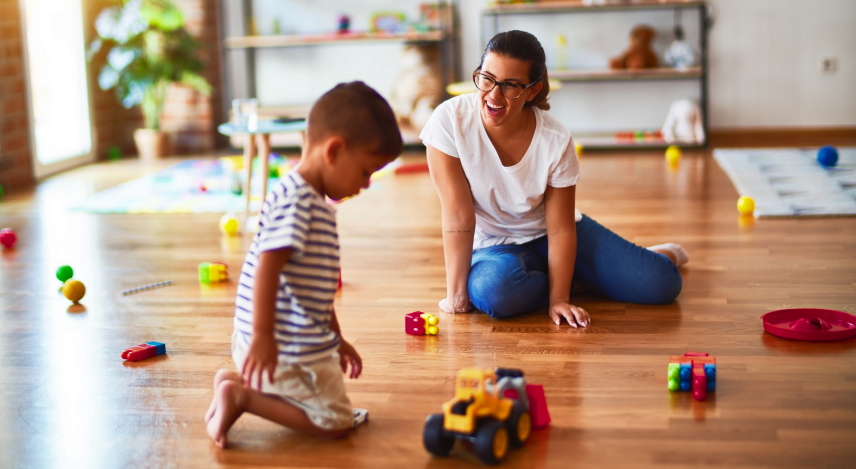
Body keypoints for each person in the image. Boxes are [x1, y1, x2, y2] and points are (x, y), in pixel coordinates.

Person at [420, 30, 687, 328]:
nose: (494, 94)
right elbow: (457, 215)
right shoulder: (448, 121)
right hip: (495, 248)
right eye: (487, 78)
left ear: (532, 91)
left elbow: (560, 229)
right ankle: (579, 277)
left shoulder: (555, 138)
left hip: (553, 236)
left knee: (663, 284)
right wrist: (456, 297)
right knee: (494, 293)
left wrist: (559, 299)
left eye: (510, 85)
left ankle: (630, 262)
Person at [205, 82, 402, 448]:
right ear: (335, 150)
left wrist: (336, 338)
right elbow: (267, 267)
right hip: (278, 346)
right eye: (364, 171)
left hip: (275, 339)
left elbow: (313, 289)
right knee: (335, 420)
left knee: (322, 399)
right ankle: (241, 397)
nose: (367, 183)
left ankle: (235, 384)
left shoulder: (303, 196)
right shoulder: (299, 203)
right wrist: (264, 337)